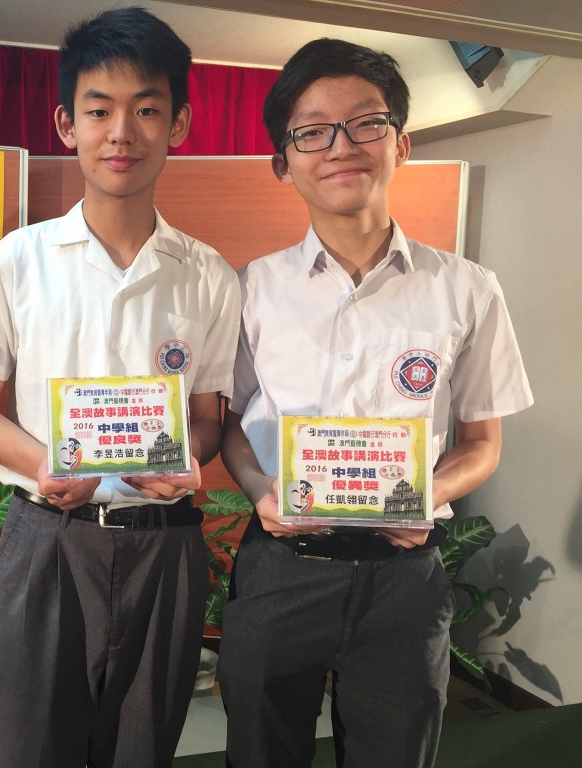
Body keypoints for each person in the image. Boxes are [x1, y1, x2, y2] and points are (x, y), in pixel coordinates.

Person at [218, 38, 533, 768]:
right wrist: (262, 491)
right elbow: (230, 426)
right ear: (283, 161)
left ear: (401, 143)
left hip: (404, 577)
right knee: (260, 752)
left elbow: (481, 442)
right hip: (282, 567)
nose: (341, 146)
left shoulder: (467, 289)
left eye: (366, 122)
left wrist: (425, 494)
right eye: (312, 131)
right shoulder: (252, 289)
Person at [0, 7, 241, 767]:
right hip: (47, 540)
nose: (122, 133)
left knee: (143, 747)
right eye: (99, 110)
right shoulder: (18, 260)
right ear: (66, 124)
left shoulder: (209, 275)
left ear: (178, 125)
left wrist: (190, 461)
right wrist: (45, 464)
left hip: (165, 546)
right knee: (28, 748)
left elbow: (208, 419)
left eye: (146, 109)